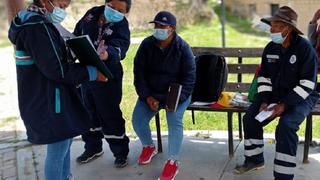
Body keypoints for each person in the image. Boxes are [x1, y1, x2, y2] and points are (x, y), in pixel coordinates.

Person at [8, 0, 107, 179]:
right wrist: (91, 72)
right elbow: (56, 69)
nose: (63, 10)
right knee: (59, 149)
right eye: (61, 5)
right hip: (51, 101)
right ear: (46, 1)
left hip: (46, 97)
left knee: (64, 143)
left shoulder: (32, 20)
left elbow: (49, 57)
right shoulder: (37, 27)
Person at [234, 6, 319, 180]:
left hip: (303, 96)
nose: (272, 29)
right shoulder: (270, 48)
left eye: (277, 26)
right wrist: (264, 101)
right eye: (272, 25)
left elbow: (308, 84)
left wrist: (284, 105)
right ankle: (254, 160)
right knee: (250, 118)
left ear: (288, 28)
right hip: (274, 95)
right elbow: (263, 77)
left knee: (286, 126)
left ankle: (283, 175)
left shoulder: (304, 49)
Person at [132, 11, 196, 180]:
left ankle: (173, 161)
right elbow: (139, 73)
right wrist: (147, 97)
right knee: (137, 120)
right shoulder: (146, 45)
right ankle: (148, 146)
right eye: (156, 26)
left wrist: (175, 100)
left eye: (162, 26)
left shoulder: (183, 48)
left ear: (172, 29)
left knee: (174, 119)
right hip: (152, 94)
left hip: (178, 94)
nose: (157, 29)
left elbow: (189, 79)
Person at [73, 0, 131, 168]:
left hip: (108, 76)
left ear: (125, 13)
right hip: (86, 73)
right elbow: (77, 32)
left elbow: (121, 47)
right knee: (88, 112)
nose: (115, 11)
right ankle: (92, 148)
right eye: (112, 6)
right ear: (106, 3)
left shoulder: (121, 25)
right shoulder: (91, 14)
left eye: (120, 10)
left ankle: (120, 152)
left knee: (109, 114)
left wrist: (106, 54)